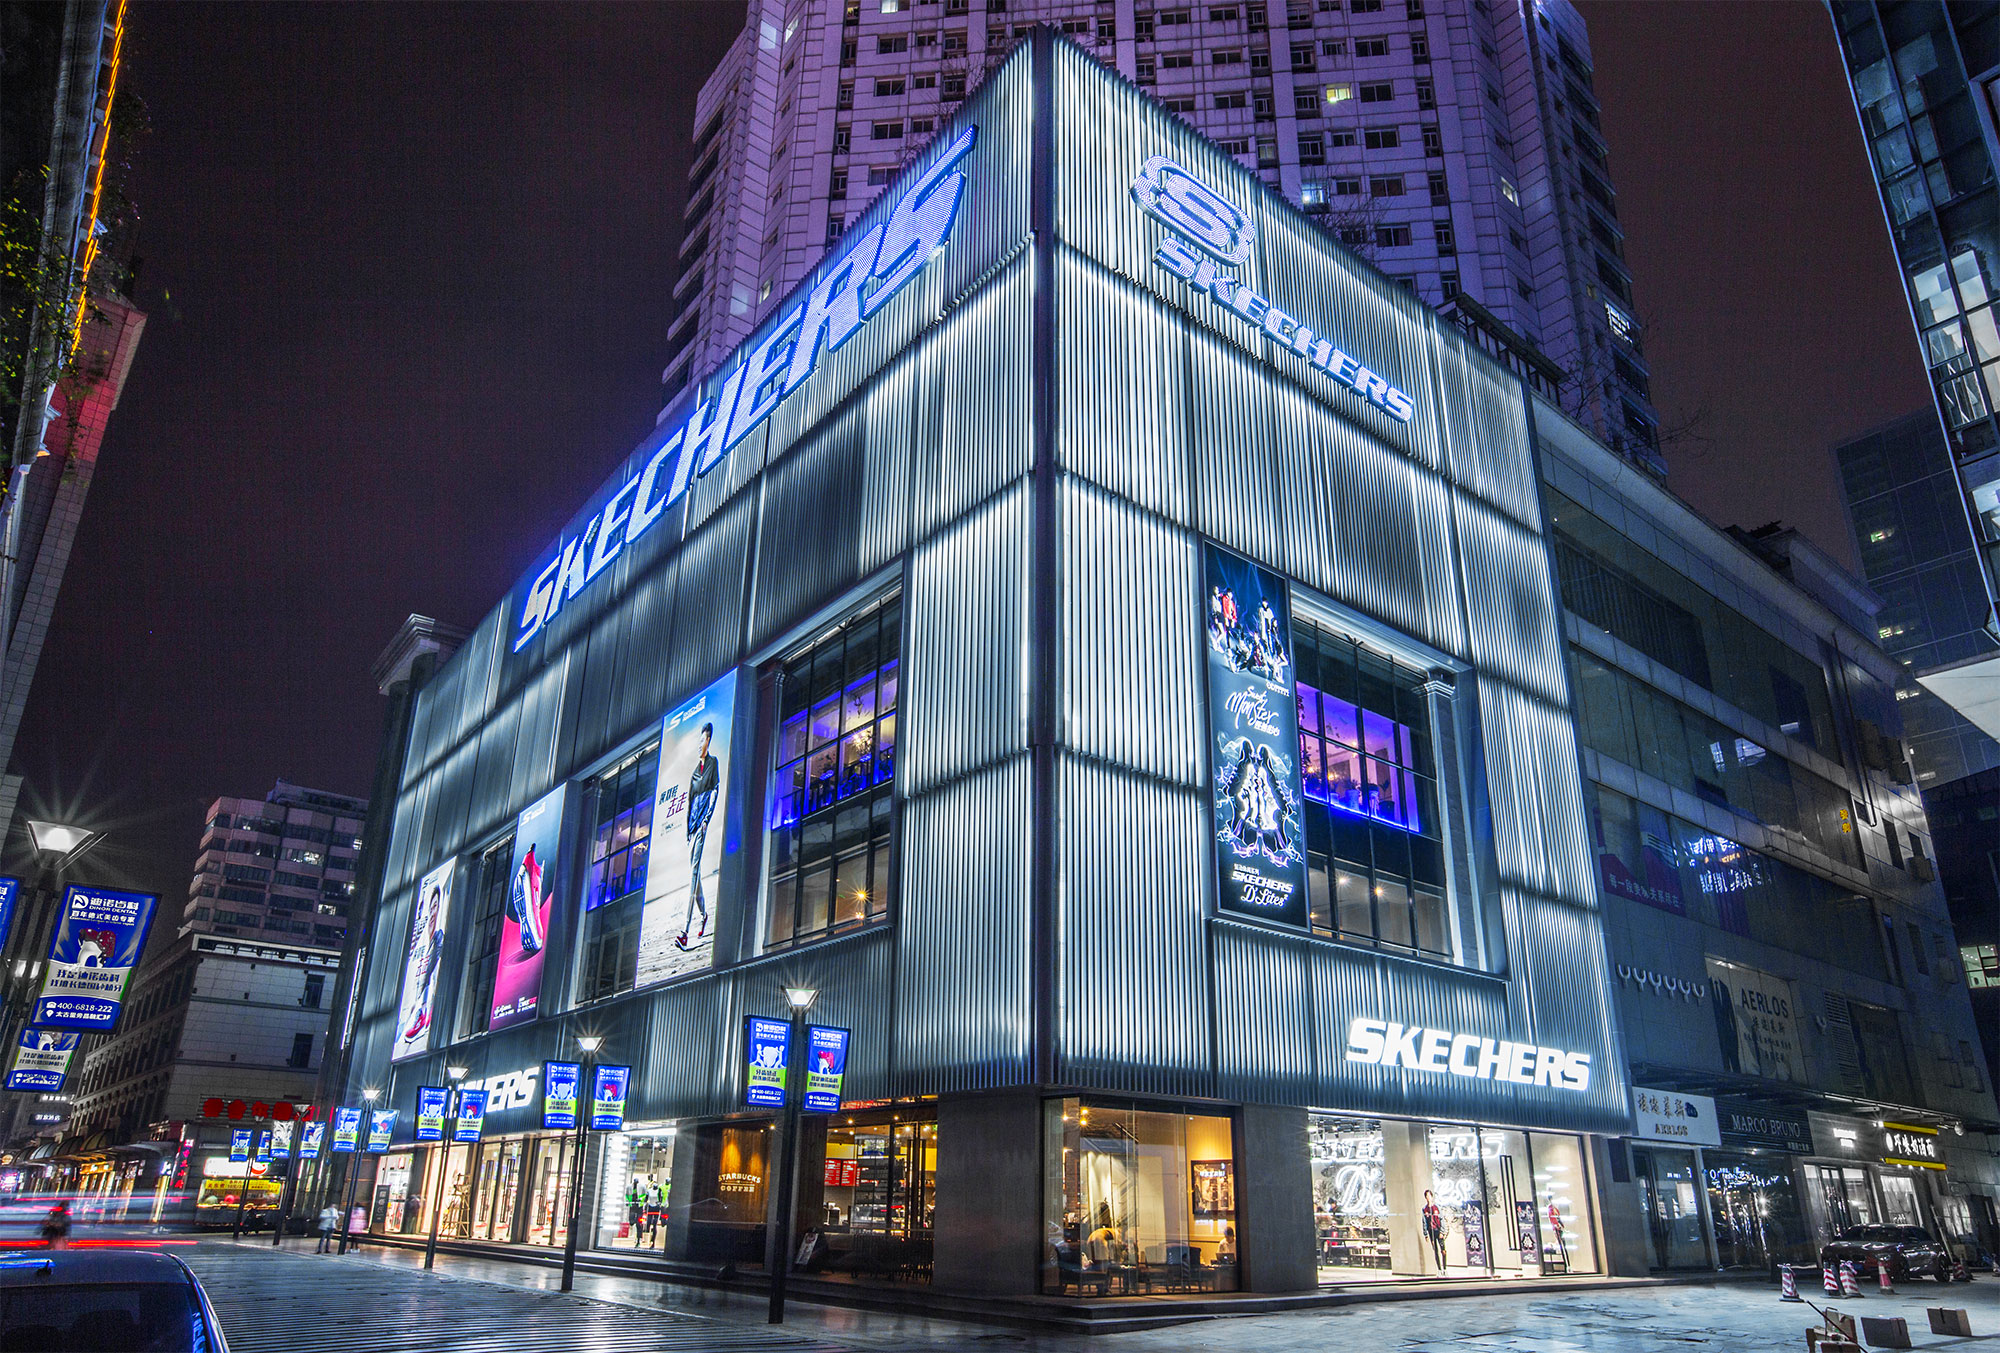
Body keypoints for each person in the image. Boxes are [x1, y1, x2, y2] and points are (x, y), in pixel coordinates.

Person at [675, 724, 721, 951]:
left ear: (709, 740)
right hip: (692, 828)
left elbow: (715, 792)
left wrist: (706, 820)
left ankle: (685, 931)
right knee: (697, 873)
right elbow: (690, 804)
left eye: (703, 739)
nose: (699, 744)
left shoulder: (713, 764)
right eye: (698, 740)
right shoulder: (695, 771)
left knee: (693, 873)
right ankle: (704, 915)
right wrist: (687, 831)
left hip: (701, 826)